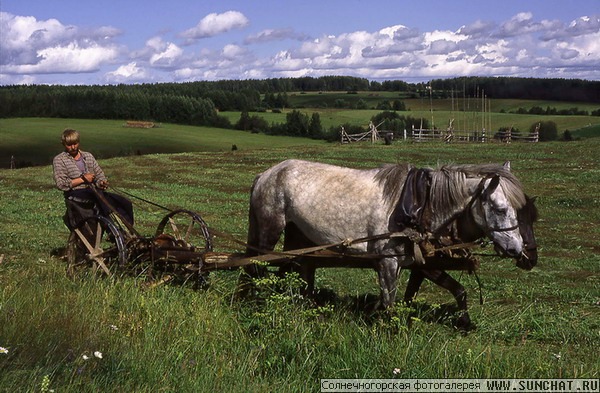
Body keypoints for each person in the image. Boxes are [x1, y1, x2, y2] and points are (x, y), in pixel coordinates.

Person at [53, 128, 133, 230]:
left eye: (75, 143)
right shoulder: (59, 160)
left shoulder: (88, 156)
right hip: (75, 193)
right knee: (101, 199)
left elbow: (99, 175)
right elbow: (61, 184)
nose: (73, 147)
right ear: (64, 144)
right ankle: (113, 229)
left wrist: (101, 183)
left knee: (124, 202)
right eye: (69, 145)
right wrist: (83, 179)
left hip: (94, 191)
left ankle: (129, 231)